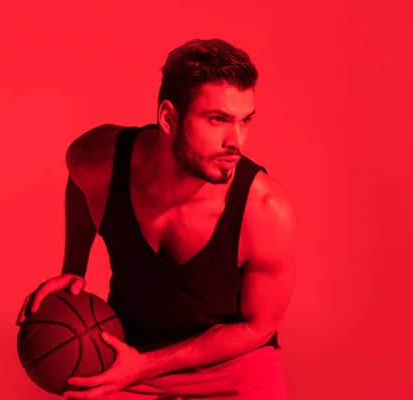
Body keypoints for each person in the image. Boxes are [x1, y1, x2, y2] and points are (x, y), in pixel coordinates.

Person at [17, 38, 297, 399]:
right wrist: (74, 267)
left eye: (245, 121)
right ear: (169, 118)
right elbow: (78, 177)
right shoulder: (100, 160)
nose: (236, 141)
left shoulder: (266, 209)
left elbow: (258, 327)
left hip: (232, 366)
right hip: (129, 354)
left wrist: (147, 365)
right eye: (218, 120)